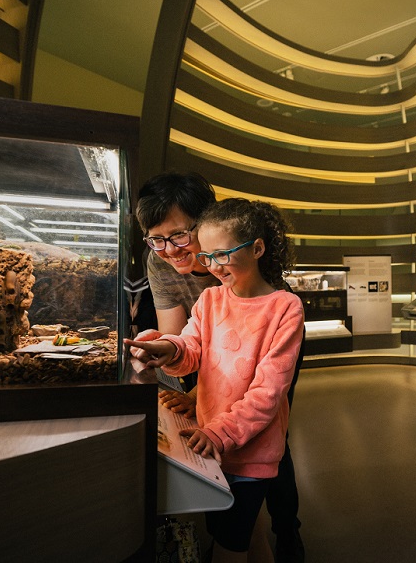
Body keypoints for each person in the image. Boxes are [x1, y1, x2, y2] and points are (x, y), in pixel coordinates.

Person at [133, 171, 306, 563]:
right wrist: (164, 351)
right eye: (156, 239)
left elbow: (266, 391)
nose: (171, 249)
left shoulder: (278, 302)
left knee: (274, 431)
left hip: (256, 388)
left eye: (179, 236)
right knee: (237, 530)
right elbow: (185, 341)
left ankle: (288, 529)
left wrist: (218, 421)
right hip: (218, 401)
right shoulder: (205, 292)